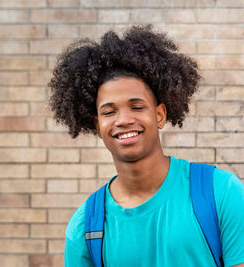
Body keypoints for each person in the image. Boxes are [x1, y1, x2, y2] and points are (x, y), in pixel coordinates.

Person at [48, 25, 244, 267]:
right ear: (97, 126)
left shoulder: (220, 193)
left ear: (160, 114)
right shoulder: (85, 228)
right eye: (109, 112)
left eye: (137, 107)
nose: (123, 120)